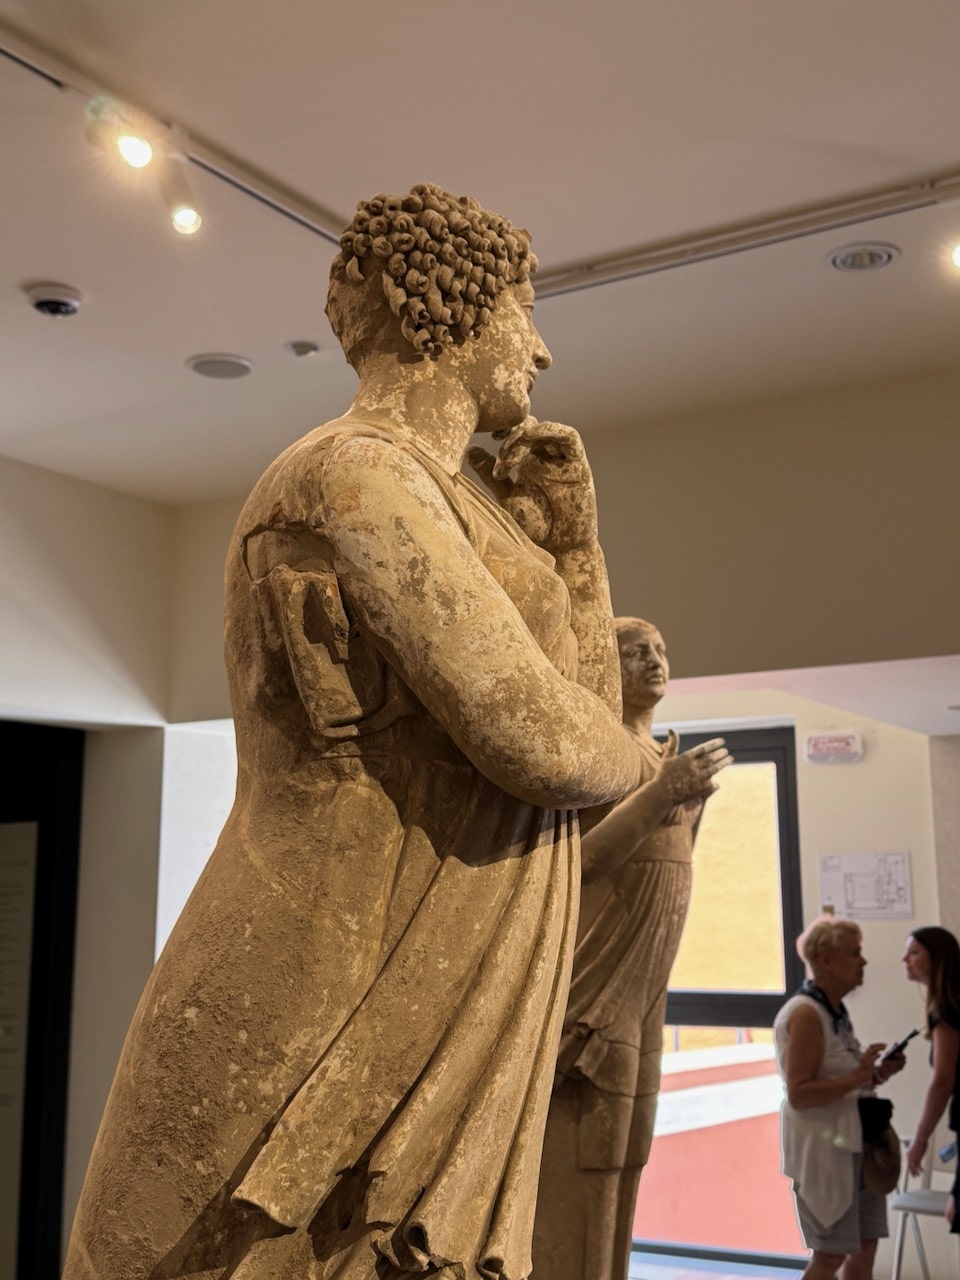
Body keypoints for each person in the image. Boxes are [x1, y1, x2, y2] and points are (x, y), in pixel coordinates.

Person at [63, 183, 710, 1280]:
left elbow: (582, 722)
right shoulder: (351, 475)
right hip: (333, 959)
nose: (541, 350)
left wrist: (580, 546)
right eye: (524, 309)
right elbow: (539, 740)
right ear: (445, 308)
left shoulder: (464, 502)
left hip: (428, 948)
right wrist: (640, 760)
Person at [531, 617, 731, 1280]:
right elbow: (578, 864)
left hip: (646, 986)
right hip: (598, 982)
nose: (654, 661)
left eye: (660, 651)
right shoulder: (605, 751)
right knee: (585, 1153)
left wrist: (685, 806)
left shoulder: (659, 756)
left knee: (626, 1152)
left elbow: (667, 866)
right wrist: (662, 795)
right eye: (635, 652)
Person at [774, 916, 905, 1280]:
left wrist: (876, 1073)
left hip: (855, 1147)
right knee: (830, 1256)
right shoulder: (805, 1014)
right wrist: (858, 1077)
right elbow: (799, 1094)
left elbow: (845, 1078)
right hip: (825, 1154)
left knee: (865, 1248)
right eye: (855, 953)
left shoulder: (835, 1010)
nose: (863, 961)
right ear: (826, 960)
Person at [902, 925, 960, 1230]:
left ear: (936, 959)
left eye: (913, 953)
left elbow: (943, 1080)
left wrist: (920, 1139)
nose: (905, 960)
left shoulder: (948, 1008)